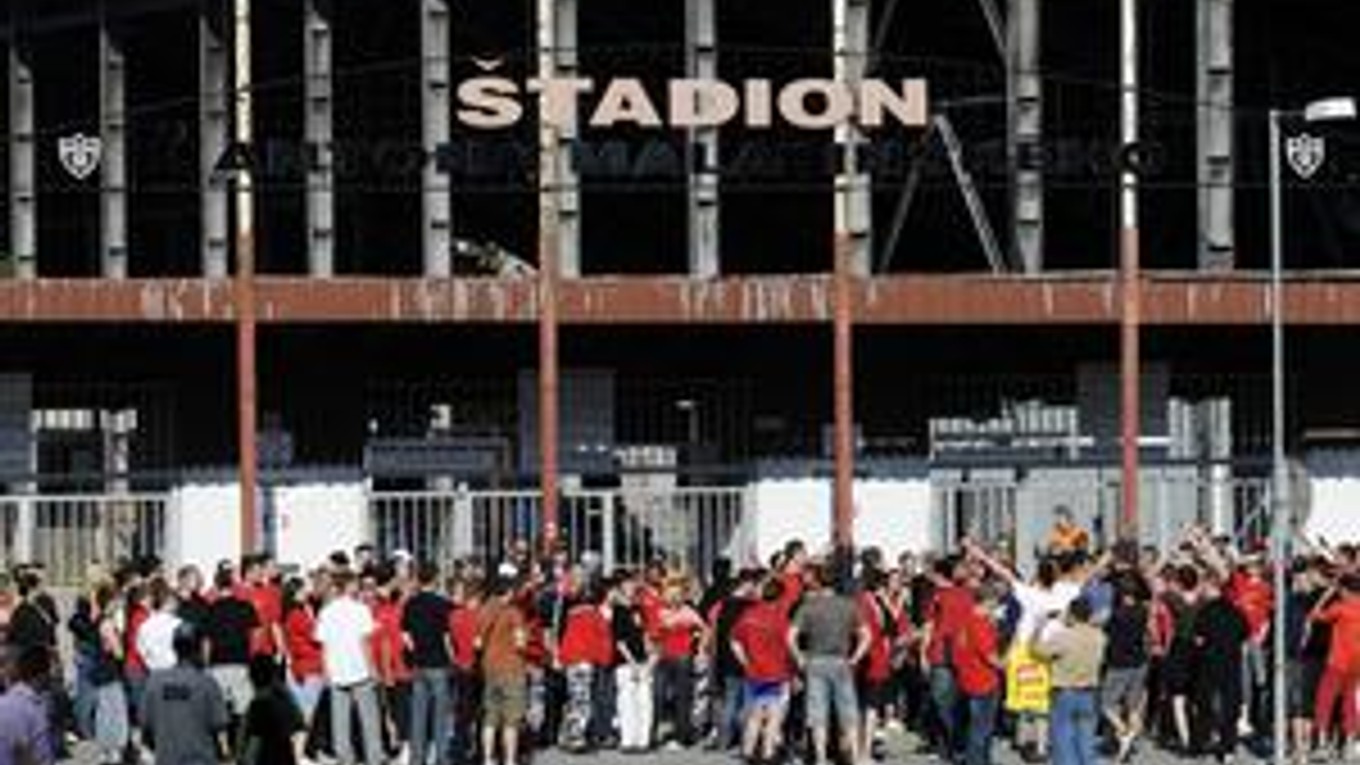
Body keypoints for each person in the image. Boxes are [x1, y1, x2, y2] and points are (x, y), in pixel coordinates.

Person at [788, 562, 868, 765]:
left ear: (818, 582)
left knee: (817, 714)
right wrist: (856, 657)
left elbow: (790, 636)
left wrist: (799, 657)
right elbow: (866, 635)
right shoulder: (849, 605)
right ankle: (856, 757)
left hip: (815, 661)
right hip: (842, 661)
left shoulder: (809, 606)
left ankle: (821, 758)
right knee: (848, 711)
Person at [315, 569, 385, 765]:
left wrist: (326, 671)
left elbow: (324, 645)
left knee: (340, 722)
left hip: (337, 670)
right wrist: (372, 668)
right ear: (349, 586)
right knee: (369, 719)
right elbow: (365, 643)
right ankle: (374, 757)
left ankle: (345, 759)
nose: (358, 587)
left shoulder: (326, 611)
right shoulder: (361, 610)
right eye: (355, 584)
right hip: (360, 669)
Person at [139, 624, 230, 765]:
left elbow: (145, 727)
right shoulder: (207, 683)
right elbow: (220, 732)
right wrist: (227, 758)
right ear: (199, 649)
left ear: (175, 649)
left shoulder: (155, 682)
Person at [1033, 598, 1106, 765]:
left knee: (1063, 742)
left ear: (1072, 615)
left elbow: (1037, 650)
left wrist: (1039, 627)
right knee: (1086, 741)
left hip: (1065, 691)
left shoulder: (1064, 636)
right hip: (1089, 691)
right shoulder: (1099, 636)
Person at [731, 577, 794, 765]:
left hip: (753, 672)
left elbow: (734, 640)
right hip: (777, 672)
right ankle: (768, 753)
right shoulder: (781, 617)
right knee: (774, 716)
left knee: (755, 716)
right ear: (780, 596)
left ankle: (748, 752)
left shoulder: (749, 614)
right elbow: (789, 645)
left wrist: (745, 660)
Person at [1193, 572, 1249, 763]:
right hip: (1232, 663)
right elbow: (1244, 635)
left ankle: (1203, 742)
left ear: (1213, 588)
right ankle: (1228, 748)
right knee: (1230, 706)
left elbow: (1198, 639)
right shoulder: (1237, 612)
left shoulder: (1205, 611)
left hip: (1209, 662)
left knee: (1205, 703)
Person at [402, 561, 454, 765]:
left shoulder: (410, 603)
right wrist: (452, 660)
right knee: (440, 717)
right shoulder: (442, 604)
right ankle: (441, 758)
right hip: (439, 664)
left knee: (418, 716)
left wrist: (415, 651)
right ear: (435, 578)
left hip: (418, 664)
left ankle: (417, 759)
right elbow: (447, 637)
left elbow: (405, 636)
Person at [477, 576, 529, 765]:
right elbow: (520, 643)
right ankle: (509, 760)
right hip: (511, 669)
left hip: (490, 669)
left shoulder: (484, 611)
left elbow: (478, 642)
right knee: (511, 721)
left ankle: (488, 759)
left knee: (490, 718)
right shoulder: (513, 613)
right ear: (509, 592)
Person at [1309, 572, 1360, 758]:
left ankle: (1321, 744)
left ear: (1344, 590)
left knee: (1324, 701)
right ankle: (1349, 746)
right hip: (1356, 664)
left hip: (1337, 661)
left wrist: (1326, 594)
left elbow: (1314, 615)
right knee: (1349, 703)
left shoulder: (1341, 607)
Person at [204, 567, 259, 733]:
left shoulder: (210, 609)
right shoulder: (245, 606)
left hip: (217, 663)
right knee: (244, 708)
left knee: (219, 710)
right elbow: (256, 634)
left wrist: (206, 665)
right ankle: (240, 745)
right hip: (240, 662)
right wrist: (252, 656)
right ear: (233, 585)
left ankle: (224, 748)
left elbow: (207, 641)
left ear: (216, 586)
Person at [953, 587, 1003, 765]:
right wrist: (1006, 665)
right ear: (987, 601)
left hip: (968, 679)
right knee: (982, 729)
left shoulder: (965, 620)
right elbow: (990, 656)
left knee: (976, 726)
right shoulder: (980, 623)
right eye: (995, 602)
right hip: (984, 681)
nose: (996, 605)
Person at [611, 573, 654, 753]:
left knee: (644, 701)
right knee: (626, 701)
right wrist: (633, 663)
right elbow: (619, 642)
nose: (631, 587)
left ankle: (643, 740)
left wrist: (649, 657)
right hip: (625, 662)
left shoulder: (638, 609)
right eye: (627, 585)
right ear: (621, 587)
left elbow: (644, 634)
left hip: (643, 661)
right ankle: (628, 740)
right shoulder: (618, 610)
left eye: (632, 584)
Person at [237, 654, 306, 765]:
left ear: (254, 678)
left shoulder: (260, 705)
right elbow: (299, 728)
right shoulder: (285, 698)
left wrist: (243, 761)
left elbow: (255, 743)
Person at [0, 645, 54, 765]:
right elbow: (36, 757)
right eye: (53, 667)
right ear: (42, 675)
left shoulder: (4, 702)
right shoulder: (33, 709)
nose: (56, 673)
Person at [137, 578, 183, 674]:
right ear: (168, 602)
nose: (178, 603)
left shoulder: (144, 626)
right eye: (175, 600)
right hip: (175, 671)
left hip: (154, 673)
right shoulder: (177, 623)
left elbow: (141, 651)